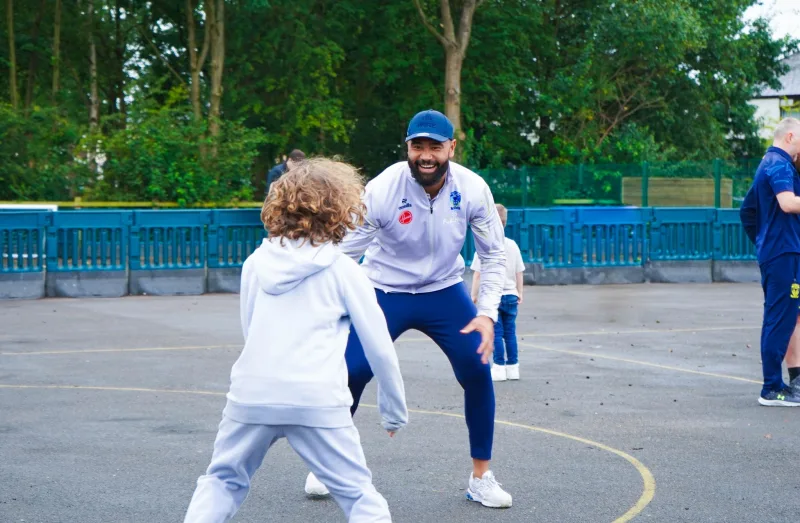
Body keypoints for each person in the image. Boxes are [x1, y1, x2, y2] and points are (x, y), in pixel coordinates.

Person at [303, 109, 513, 508]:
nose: (427, 155)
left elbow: (493, 255)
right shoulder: (383, 188)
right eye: (419, 146)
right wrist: (323, 304)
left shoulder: (472, 188)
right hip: (384, 289)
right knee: (352, 370)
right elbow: (344, 252)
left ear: (452, 147)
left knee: (477, 366)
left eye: (436, 146)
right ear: (408, 147)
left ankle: (481, 477)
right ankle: (328, 462)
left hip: (444, 290)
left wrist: (486, 313)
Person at [184, 158, 408, 523]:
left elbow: (250, 329)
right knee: (360, 498)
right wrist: (394, 411)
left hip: (252, 394)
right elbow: (379, 346)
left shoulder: (255, 263)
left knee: (221, 481)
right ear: (341, 209)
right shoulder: (344, 270)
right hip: (316, 399)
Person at [740, 117, 800, 406]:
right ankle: (771, 388)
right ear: (790, 137)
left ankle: (793, 378)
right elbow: (788, 203)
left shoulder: (767, 163)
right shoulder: (779, 164)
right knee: (780, 318)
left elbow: (746, 211)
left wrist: (763, 241)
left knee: (791, 314)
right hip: (782, 253)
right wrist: (772, 244)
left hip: (779, 252)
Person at [470, 203, 525, 382]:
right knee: (510, 333)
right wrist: (519, 292)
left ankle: (499, 367)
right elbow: (519, 272)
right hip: (510, 295)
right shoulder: (513, 245)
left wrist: (473, 295)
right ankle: (513, 367)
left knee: (497, 332)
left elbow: (478, 275)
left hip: (493, 296)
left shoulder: (484, 245)